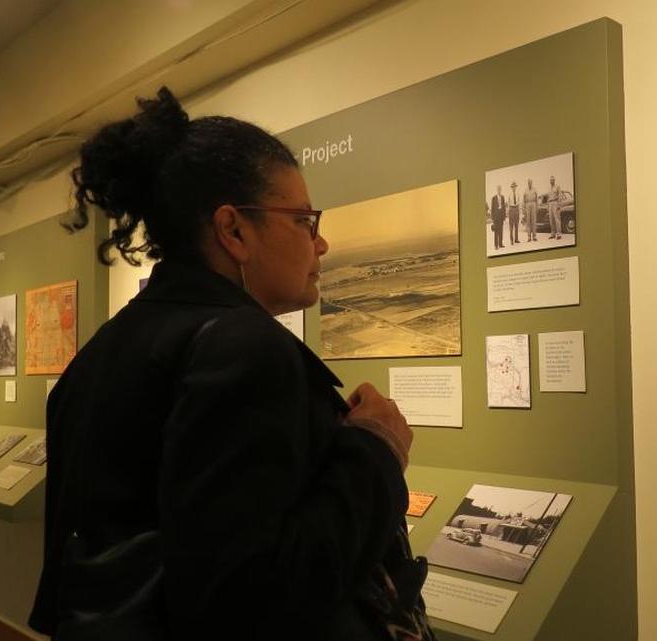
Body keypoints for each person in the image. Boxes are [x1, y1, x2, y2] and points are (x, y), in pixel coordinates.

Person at [29, 87, 435, 641]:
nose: (321, 244)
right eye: (303, 221)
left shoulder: (101, 353)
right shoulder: (245, 349)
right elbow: (260, 595)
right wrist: (376, 448)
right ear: (234, 230)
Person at [490, 185, 507, 250]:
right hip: (496, 217)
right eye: (498, 189)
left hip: (501, 216)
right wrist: (492, 217)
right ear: (497, 190)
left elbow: (504, 207)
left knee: (501, 230)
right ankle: (496, 245)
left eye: (500, 189)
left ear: (501, 190)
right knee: (496, 231)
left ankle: (500, 244)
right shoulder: (493, 198)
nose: (499, 190)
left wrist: (504, 216)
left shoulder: (502, 197)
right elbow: (492, 208)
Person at [507, 181, 521, 245]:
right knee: (511, 225)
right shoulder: (509, 194)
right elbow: (508, 203)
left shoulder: (518, 193)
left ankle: (516, 239)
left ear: (516, 187)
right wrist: (509, 211)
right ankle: (511, 240)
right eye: (513, 187)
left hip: (516, 209)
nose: (514, 188)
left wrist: (518, 210)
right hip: (511, 209)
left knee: (516, 225)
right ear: (511, 187)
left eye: (515, 187)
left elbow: (518, 202)